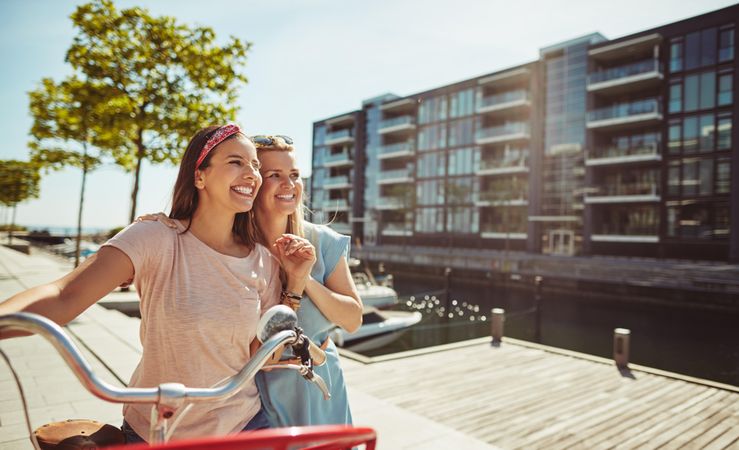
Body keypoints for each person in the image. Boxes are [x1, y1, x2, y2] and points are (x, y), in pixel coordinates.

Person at [0, 124, 316, 442]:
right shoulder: (155, 237)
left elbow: (262, 357)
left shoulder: (262, 259)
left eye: (255, 165)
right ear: (199, 176)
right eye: (236, 162)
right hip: (154, 429)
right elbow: (64, 294)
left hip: (243, 427)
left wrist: (297, 280)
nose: (252, 174)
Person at [140, 134, 363, 428]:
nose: (289, 184)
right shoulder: (235, 248)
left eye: (294, 175)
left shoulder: (322, 242)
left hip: (315, 381)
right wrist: (169, 227)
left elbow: (353, 319)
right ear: (254, 182)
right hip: (253, 392)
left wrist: (303, 277)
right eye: (274, 175)